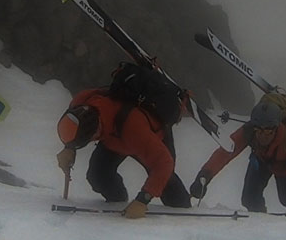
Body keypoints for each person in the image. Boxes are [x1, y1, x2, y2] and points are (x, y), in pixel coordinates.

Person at [55, 84, 192, 218]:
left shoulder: (134, 129)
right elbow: (73, 124)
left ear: (96, 132)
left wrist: (142, 200)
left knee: (167, 185)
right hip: (114, 138)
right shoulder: (81, 103)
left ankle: (185, 213)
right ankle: (118, 201)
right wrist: (69, 147)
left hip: (147, 135)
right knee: (98, 177)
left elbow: (163, 163)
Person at [187, 98, 286, 215]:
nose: (262, 135)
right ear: (254, 126)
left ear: (276, 127)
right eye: (258, 130)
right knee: (249, 198)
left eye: (268, 131)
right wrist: (204, 177)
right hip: (262, 161)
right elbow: (225, 153)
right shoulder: (249, 131)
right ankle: (260, 225)